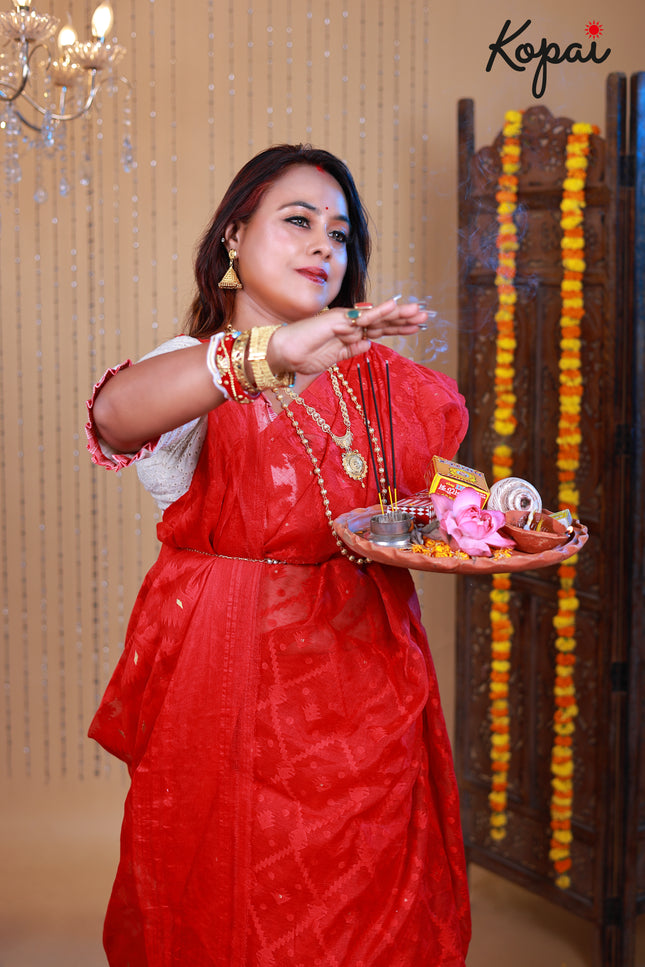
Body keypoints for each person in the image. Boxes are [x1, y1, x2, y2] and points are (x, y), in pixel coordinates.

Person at [86, 143, 471, 967]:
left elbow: (430, 506)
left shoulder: (382, 379)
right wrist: (272, 355)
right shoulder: (191, 370)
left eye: (339, 233)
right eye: (297, 221)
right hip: (226, 684)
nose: (323, 246)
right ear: (234, 235)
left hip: (370, 681)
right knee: (231, 900)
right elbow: (116, 416)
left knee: (369, 904)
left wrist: (490, 520)